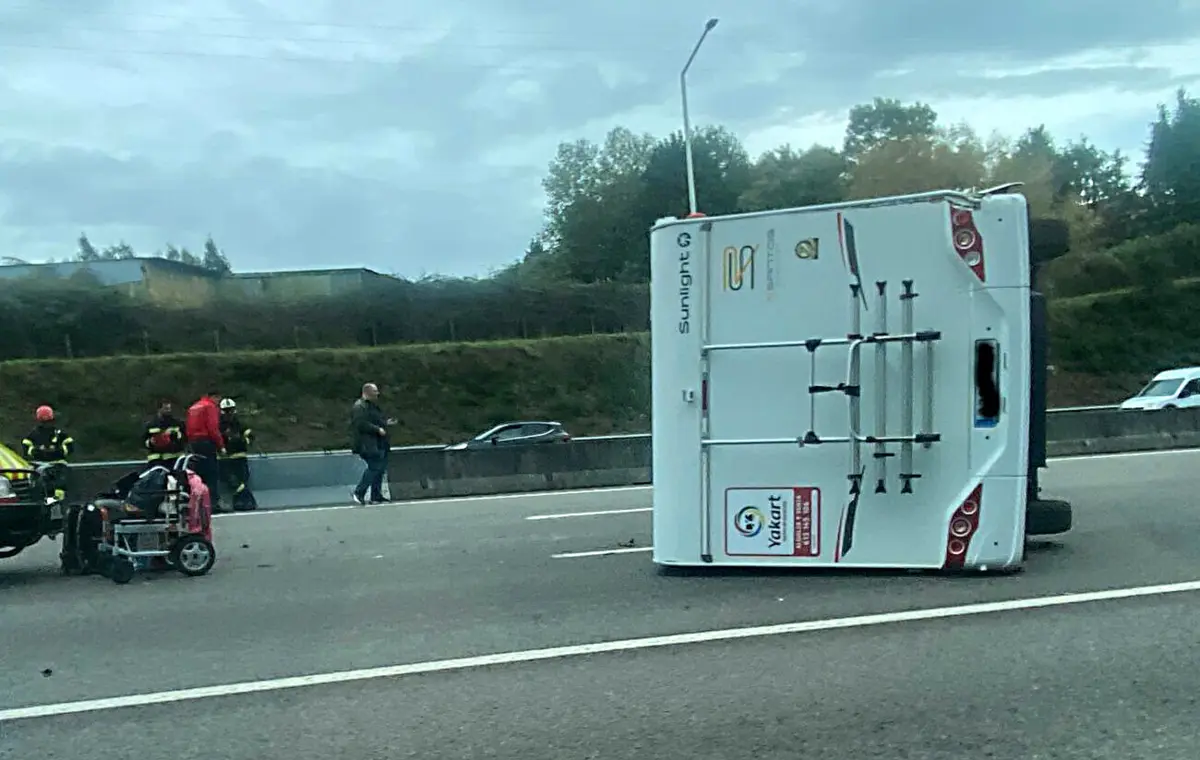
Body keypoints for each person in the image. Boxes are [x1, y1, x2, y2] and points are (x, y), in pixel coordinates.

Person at [349, 382, 394, 505]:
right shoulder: (359, 407)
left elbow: (374, 420)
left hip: (378, 443)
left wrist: (385, 423)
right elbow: (360, 424)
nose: (377, 394)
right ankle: (359, 492)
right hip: (367, 444)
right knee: (374, 467)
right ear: (367, 392)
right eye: (375, 392)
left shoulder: (372, 406)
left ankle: (376, 495)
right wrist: (377, 429)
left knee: (380, 468)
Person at [185, 388, 226, 512]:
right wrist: (221, 445)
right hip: (207, 443)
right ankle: (213, 504)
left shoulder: (194, 407)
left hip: (194, 444)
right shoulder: (210, 407)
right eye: (218, 399)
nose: (218, 402)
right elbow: (213, 428)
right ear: (215, 396)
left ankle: (199, 504)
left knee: (198, 475)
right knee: (212, 474)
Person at [22, 405, 74, 499]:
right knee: (37, 490)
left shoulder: (60, 434)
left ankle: (56, 502)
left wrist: (55, 452)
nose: (46, 424)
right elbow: (26, 448)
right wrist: (39, 452)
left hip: (57, 467)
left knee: (58, 491)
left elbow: (69, 448)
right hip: (38, 467)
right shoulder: (33, 435)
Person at [218, 397, 257, 511]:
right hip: (224, 459)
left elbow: (250, 436)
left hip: (240, 456)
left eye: (231, 410)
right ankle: (245, 500)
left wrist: (242, 440)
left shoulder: (239, 424)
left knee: (242, 480)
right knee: (232, 481)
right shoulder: (218, 425)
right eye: (226, 410)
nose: (229, 413)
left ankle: (242, 502)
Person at [143, 399, 187, 470]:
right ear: (159, 409)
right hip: (156, 461)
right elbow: (143, 441)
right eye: (166, 409)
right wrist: (151, 442)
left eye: (169, 408)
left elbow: (185, 438)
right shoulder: (150, 425)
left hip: (175, 460)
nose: (168, 411)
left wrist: (174, 435)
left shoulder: (177, 423)